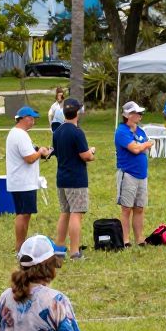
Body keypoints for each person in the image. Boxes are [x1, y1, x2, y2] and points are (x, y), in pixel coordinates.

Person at [52, 98, 95, 260]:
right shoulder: (77, 132)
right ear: (77, 112)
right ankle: (75, 252)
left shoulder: (57, 132)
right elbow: (85, 156)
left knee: (65, 213)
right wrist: (91, 153)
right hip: (76, 179)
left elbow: (57, 151)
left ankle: (59, 248)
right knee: (76, 214)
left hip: (61, 178)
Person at [6, 107, 50, 251]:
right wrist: (41, 152)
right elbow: (29, 158)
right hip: (24, 182)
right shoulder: (21, 135)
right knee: (23, 214)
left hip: (19, 181)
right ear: (24, 118)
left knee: (24, 213)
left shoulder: (15, 133)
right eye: (31, 119)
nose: (33, 122)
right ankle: (19, 247)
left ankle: (21, 245)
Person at [114, 100, 153, 246]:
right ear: (128, 115)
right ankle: (126, 240)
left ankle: (139, 239)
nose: (140, 115)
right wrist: (144, 145)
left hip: (142, 174)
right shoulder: (122, 131)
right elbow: (135, 149)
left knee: (139, 208)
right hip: (128, 173)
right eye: (137, 113)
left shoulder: (140, 131)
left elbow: (143, 147)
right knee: (126, 208)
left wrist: (142, 146)